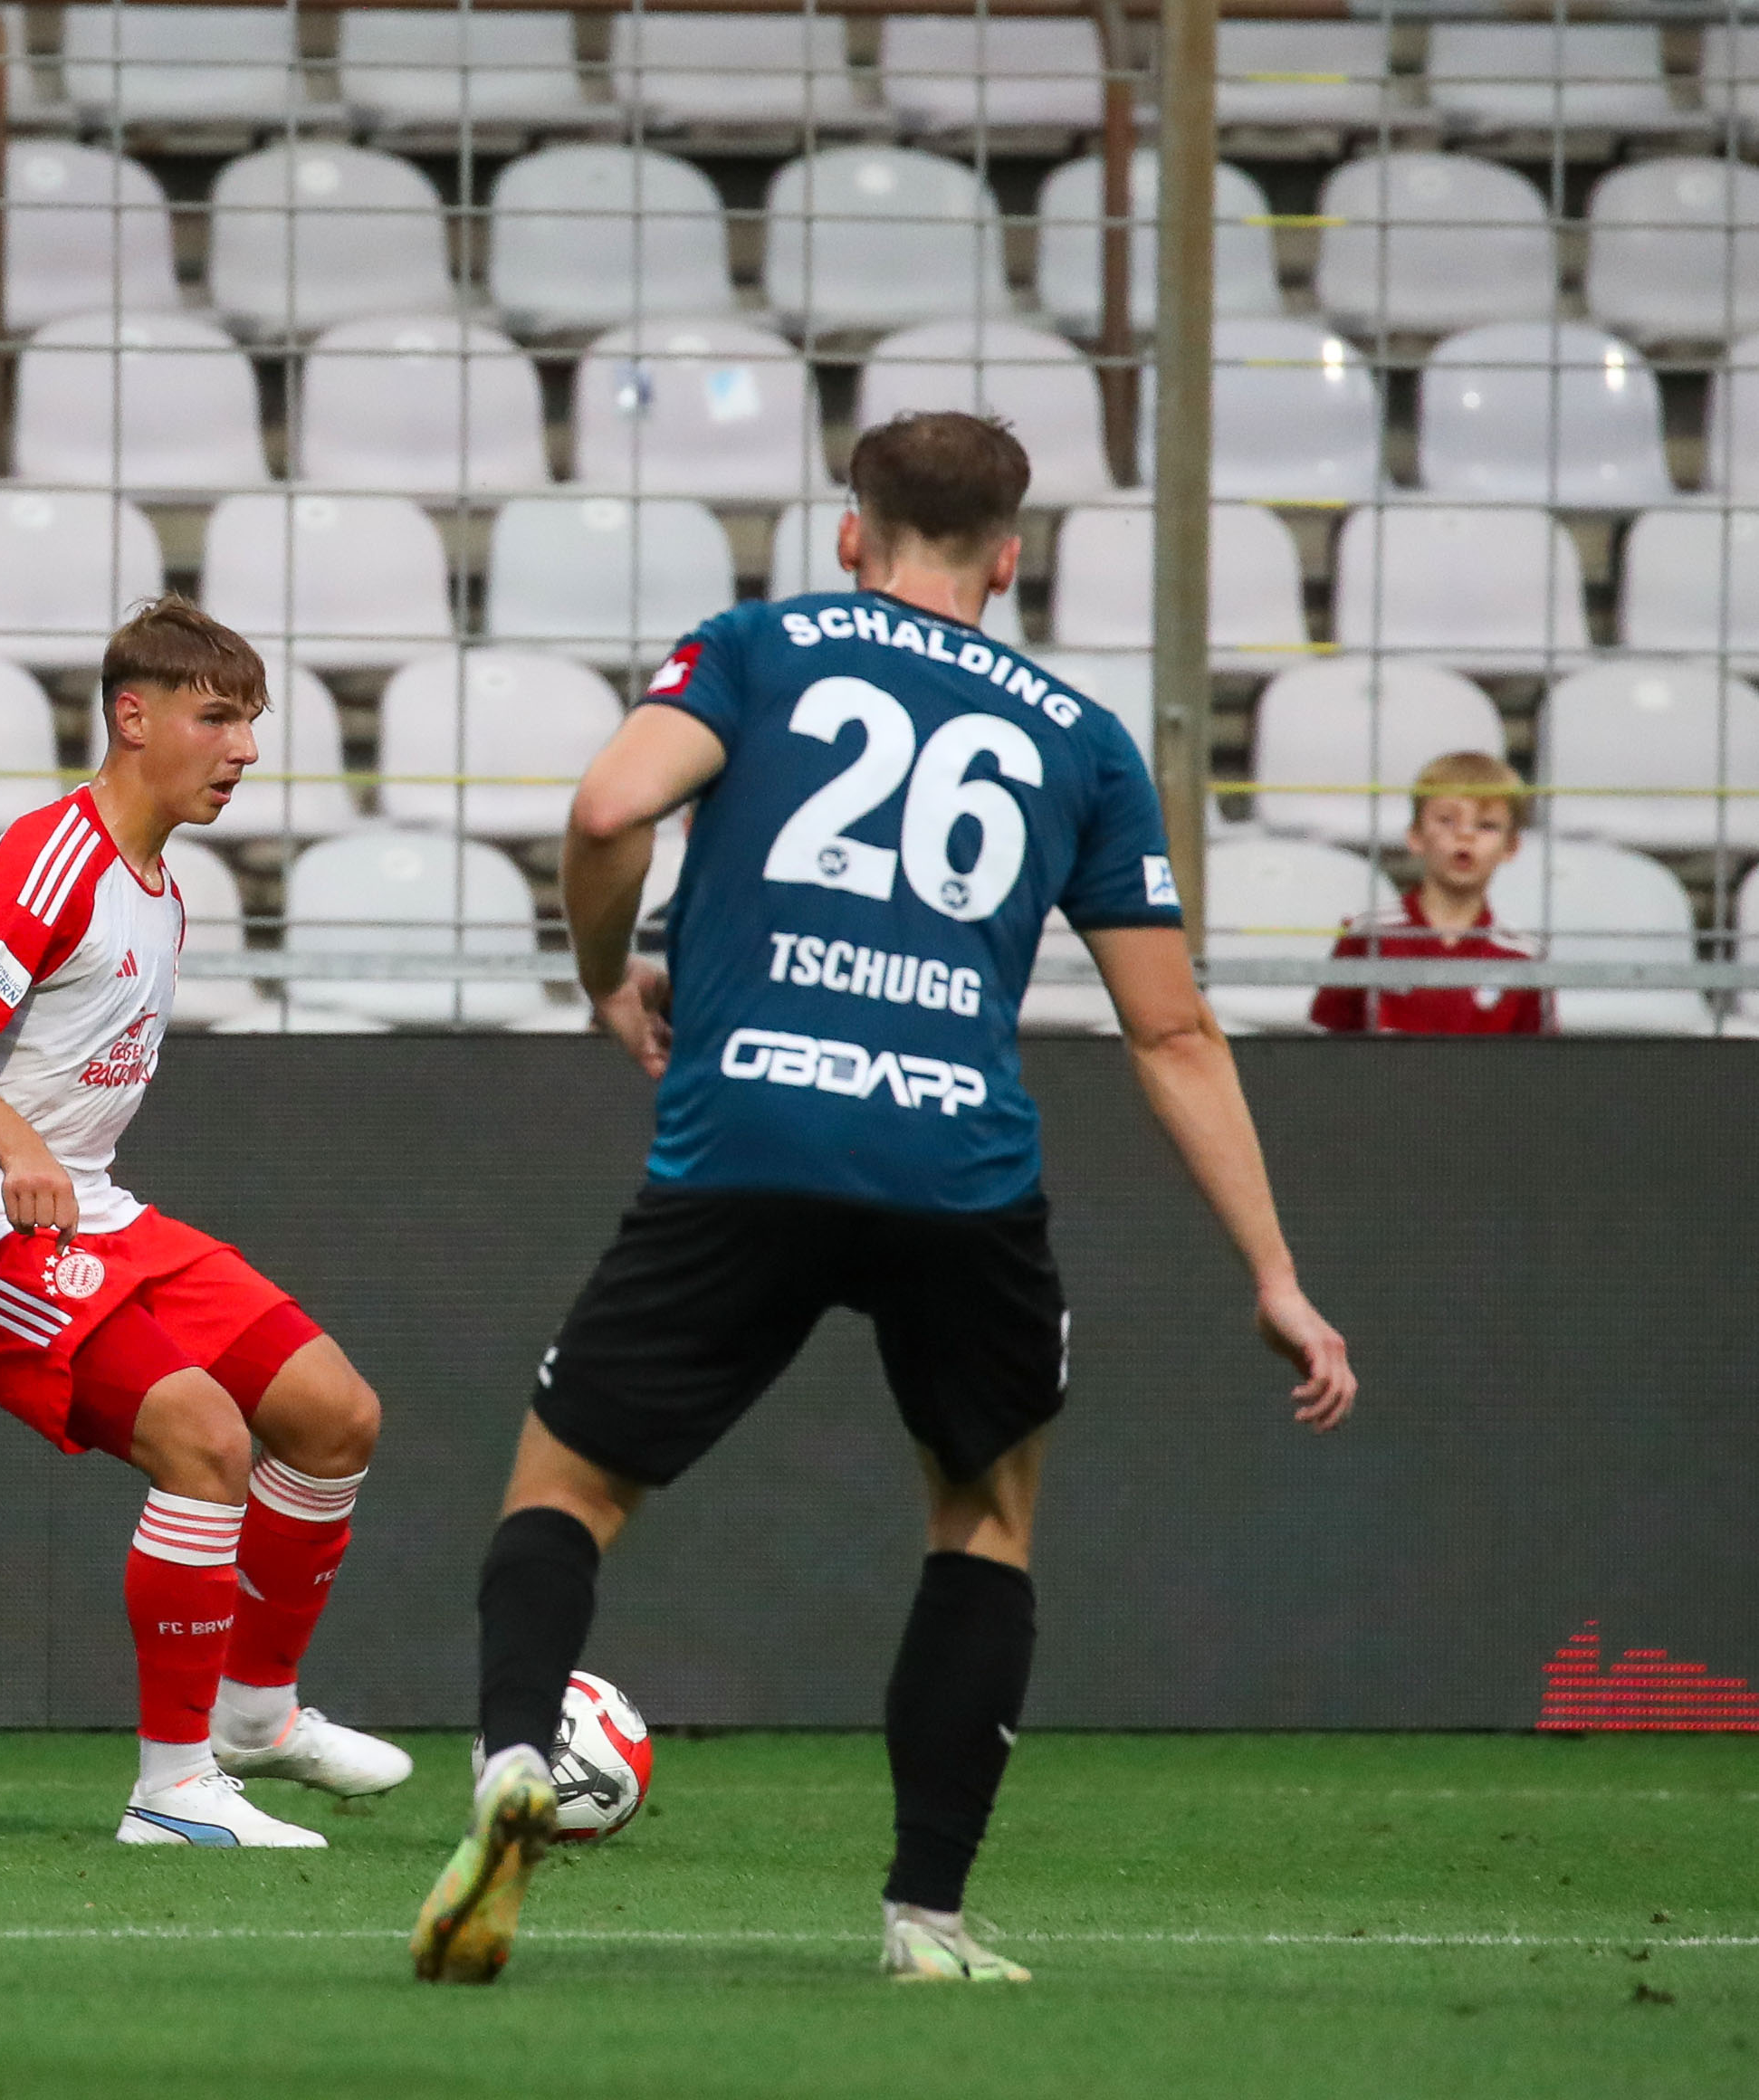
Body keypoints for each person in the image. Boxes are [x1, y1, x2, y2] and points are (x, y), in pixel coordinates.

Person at [408, 415, 1360, 1983]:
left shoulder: (757, 648)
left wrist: (605, 979)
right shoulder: (1080, 738)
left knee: (568, 1491)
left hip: (749, 1136)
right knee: (983, 1523)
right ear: (1009, 555)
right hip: (956, 1171)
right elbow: (1171, 1028)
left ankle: (518, 1750)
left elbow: (602, 814)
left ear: (850, 535)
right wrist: (1274, 1273)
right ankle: (925, 1918)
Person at [0, 597, 409, 1850]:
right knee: (204, 1440)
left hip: (93, 1211)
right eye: (215, 718)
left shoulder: (163, 883)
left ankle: (254, 1718)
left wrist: (57, 1169)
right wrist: (15, 1154)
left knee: (335, 1416)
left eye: (250, 724)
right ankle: (172, 1791)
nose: (242, 750)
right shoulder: (52, 855)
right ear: (133, 717)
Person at [1309, 751, 1545, 1036]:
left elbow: (1539, 1066)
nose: (1465, 835)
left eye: (1486, 826)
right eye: (1447, 821)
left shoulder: (1523, 955)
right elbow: (1326, 1050)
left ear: (1511, 847)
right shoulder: (1368, 935)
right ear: (1416, 836)